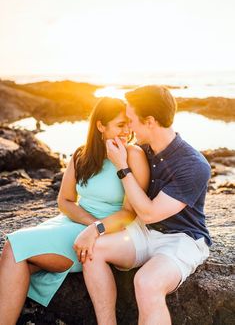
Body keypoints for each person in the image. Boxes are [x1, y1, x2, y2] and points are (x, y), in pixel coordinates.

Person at [0, 97, 149, 325]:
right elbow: (65, 201)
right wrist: (89, 223)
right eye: (120, 125)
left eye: (129, 124)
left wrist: (97, 228)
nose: (127, 130)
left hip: (109, 232)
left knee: (14, 247)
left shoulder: (133, 155)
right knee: (20, 263)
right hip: (74, 224)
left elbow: (130, 213)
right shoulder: (81, 155)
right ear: (101, 125)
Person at [82, 86, 212, 325]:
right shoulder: (142, 151)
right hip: (143, 233)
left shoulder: (193, 165)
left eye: (131, 120)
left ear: (149, 121)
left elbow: (149, 213)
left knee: (146, 282)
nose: (128, 128)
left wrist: (122, 167)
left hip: (182, 239)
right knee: (92, 252)